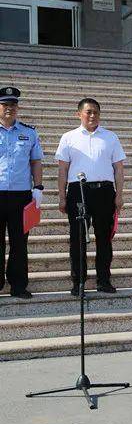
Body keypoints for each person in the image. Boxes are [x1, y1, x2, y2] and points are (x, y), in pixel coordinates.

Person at [55, 98, 126, 296]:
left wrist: (119, 195)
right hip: (79, 191)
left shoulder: (110, 137)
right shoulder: (69, 137)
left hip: (104, 191)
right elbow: (62, 170)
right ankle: (78, 282)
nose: (92, 116)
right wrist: (62, 196)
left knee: (104, 238)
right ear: (79, 114)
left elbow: (118, 169)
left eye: (96, 112)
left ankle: (104, 280)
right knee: (77, 239)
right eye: (88, 112)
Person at [0, 87, 43, 299]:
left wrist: (38, 187)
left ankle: (18, 285)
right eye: (5, 105)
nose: (10, 108)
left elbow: (36, 161)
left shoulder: (29, 132)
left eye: (13, 105)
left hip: (21, 195)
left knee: (19, 242)